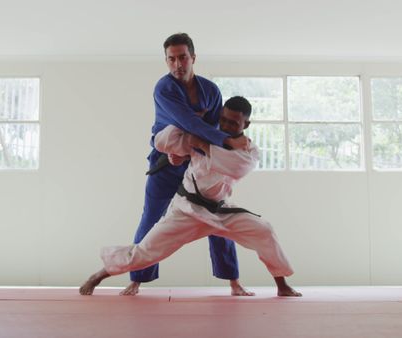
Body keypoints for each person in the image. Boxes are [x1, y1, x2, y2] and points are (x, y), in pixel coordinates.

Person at [80, 96, 301, 297]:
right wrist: (187, 121)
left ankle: (282, 285)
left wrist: (202, 144)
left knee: (264, 230)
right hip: (187, 210)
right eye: (223, 120)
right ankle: (98, 276)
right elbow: (162, 141)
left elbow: (236, 168)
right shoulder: (203, 131)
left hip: (221, 211)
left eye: (233, 123)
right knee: (145, 252)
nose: (225, 126)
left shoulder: (248, 150)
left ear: (246, 125)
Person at [122, 33, 252, 296]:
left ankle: (233, 281)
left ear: (193, 57)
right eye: (171, 59)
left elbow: (212, 128)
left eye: (182, 57)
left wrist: (210, 141)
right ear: (166, 61)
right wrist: (225, 139)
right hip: (165, 162)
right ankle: (136, 279)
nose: (177, 64)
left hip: (199, 165)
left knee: (217, 216)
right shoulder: (164, 88)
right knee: (152, 217)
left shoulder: (211, 91)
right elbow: (189, 122)